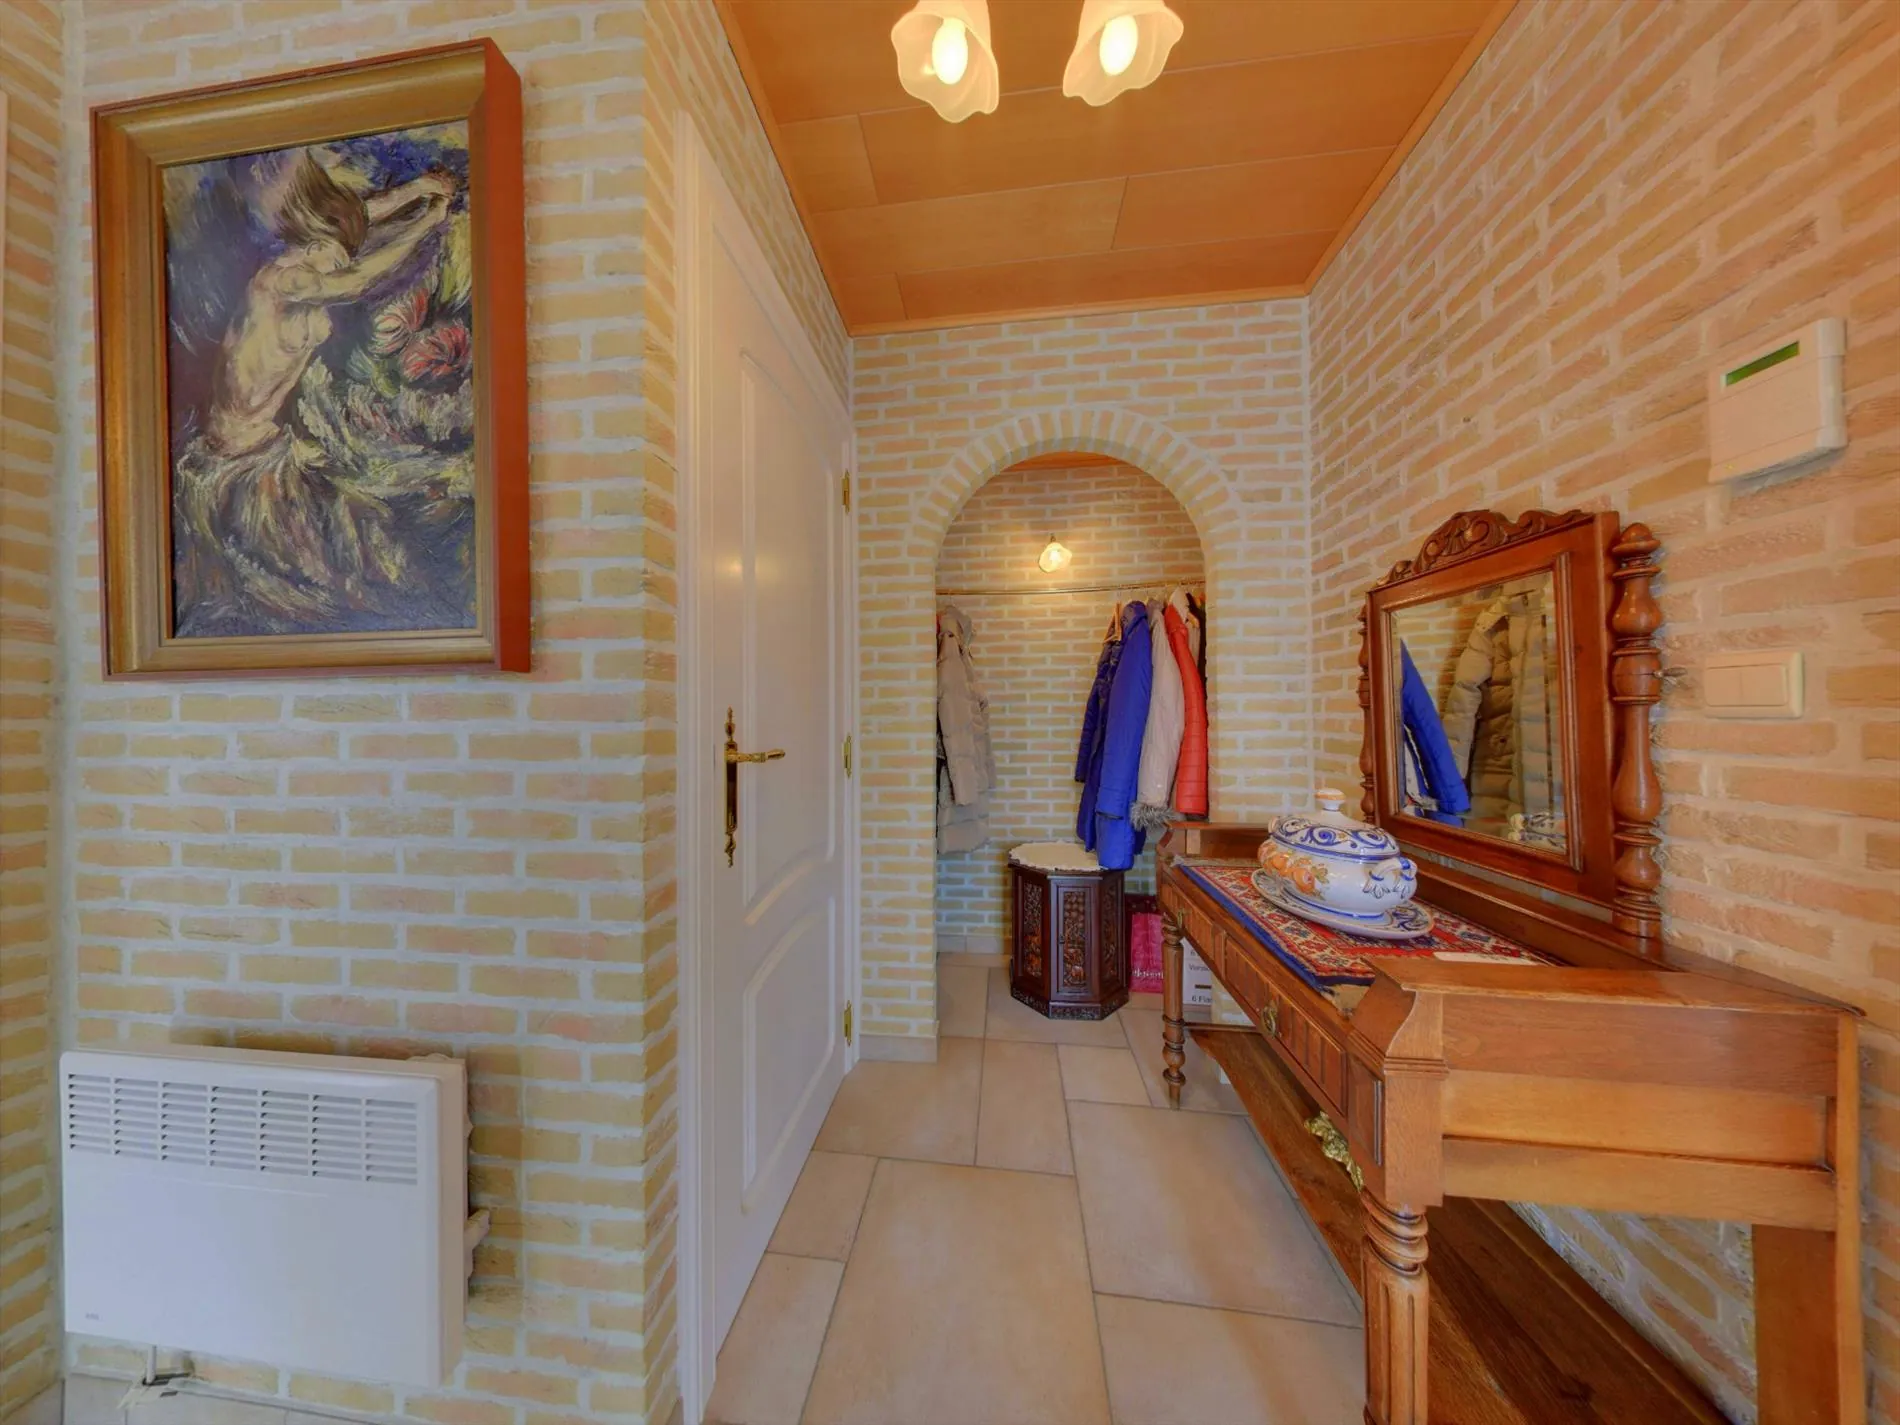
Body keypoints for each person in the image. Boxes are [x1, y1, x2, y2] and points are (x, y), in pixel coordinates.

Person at [173, 153, 460, 637]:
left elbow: (358, 218)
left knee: (363, 549)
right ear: (309, 241)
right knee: (314, 579)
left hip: (266, 448)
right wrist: (427, 222)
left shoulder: (316, 258)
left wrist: (420, 189)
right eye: (334, 253)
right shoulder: (283, 279)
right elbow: (355, 280)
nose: (344, 256)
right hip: (232, 459)